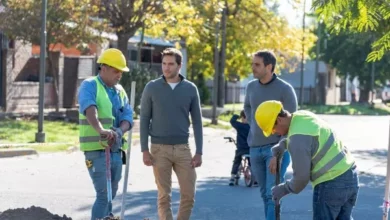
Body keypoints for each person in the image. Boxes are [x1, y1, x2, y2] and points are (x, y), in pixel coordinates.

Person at [255, 100, 359, 220]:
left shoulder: (297, 140)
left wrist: (284, 189)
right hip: (350, 175)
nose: (275, 133)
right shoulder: (302, 116)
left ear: (279, 120)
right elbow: (302, 135)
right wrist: (282, 145)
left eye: (273, 129)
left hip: (331, 184)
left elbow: (301, 178)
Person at [140, 47, 203, 220]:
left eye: (170, 64)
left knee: (189, 194)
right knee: (163, 196)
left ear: (179, 65)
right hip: (159, 149)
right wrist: (144, 149)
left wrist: (199, 152)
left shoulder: (190, 89)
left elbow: (197, 122)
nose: (166, 68)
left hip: (183, 149)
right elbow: (144, 119)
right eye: (164, 64)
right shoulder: (152, 87)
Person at [77, 48, 134, 220]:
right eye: (116, 71)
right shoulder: (90, 85)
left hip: (116, 150)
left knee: (111, 194)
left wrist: (119, 130)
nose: (119, 75)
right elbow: (89, 109)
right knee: (103, 195)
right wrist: (101, 130)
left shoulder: (120, 91)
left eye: (121, 72)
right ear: (104, 68)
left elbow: (127, 116)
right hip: (96, 150)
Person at [243, 50, 297, 220]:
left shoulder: (285, 89)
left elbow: (292, 123)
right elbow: (247, 108)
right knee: (264, 194)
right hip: (254, 148)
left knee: (271, 194)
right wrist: (255, 125)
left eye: (257, 64)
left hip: (275, 149)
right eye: (252, 64)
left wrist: (278, 153)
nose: (253, 67)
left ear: (269, 66)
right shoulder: (251, 86)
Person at [228, 110, 258, 187]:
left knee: (237, 161)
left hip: (241, 149)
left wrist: (236, 116)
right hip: (250, 148)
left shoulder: (240, 125)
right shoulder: (252, 126)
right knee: (252, 163)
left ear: (243, 118)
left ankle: (232, 177)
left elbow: (232, 121)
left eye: (241, 118)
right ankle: (255, 180)